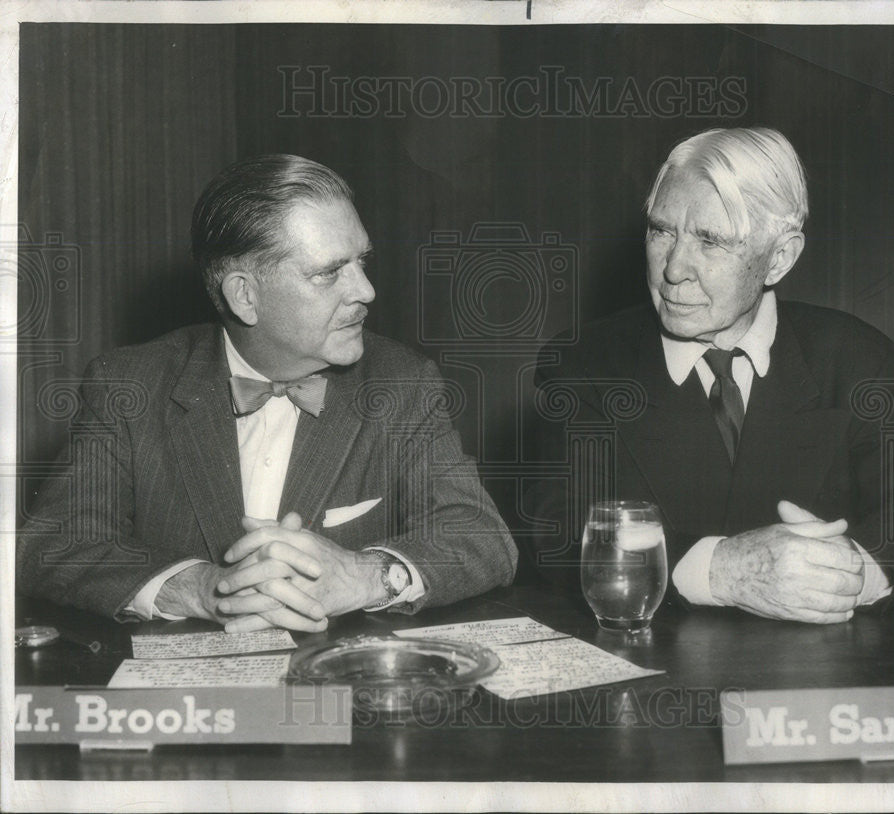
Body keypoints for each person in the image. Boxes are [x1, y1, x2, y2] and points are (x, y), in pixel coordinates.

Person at [17, 154, 518, 632]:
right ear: (245, 295)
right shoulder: (129, 386)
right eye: (329, 272)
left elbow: (482, 536)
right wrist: (198, 589)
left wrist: (366, 575)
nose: (365, 290)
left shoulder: (401, 383)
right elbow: (55, 543)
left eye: (361, 261)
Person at [526, 127, 894, 624]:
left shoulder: (853, 357)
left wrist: (851, 576)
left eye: (710, 241)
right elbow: (557, 529)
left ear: (779, 258)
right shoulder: (586, 364)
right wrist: (722, 570)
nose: (673, 268)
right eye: (661, 231)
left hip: (815, 687)